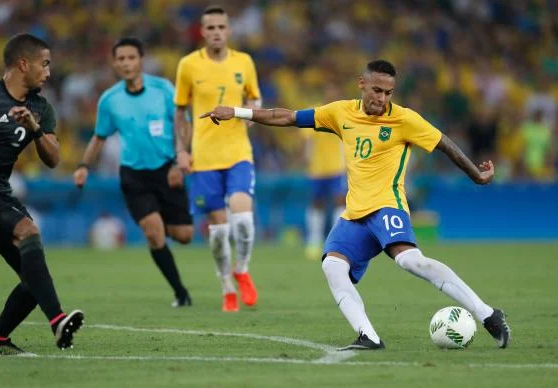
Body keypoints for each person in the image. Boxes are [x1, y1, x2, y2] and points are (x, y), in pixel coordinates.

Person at [200, 59, 511, 349]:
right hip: (355, 215)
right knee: (332, 265)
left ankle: (487, 314)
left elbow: (444, 143)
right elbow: (287, 116)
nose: (382, 98)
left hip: (388, 205)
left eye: (388, 92)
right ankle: (368, 336)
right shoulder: (341, 113)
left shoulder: (404, 119)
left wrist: (476, 175)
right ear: (362, 84)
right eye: (377, 90)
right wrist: (237, 113)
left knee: (409, 261)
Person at [0, 33, 84, 355]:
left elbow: (53, 160)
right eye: (45, 64)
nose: (49, 73)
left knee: (33, 274)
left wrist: (36, 127)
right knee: (28, 230)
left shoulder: (41, 107)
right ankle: (57, 321)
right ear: (23, 64)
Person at [73, 38, 193, 307]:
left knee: (185, 235)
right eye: (121, 59)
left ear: (141, 60)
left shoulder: (163, 89)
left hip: (167, 170)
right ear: (114, 64)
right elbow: (99, 136)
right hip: (134, 175)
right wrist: (83, 165)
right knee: (153, 232)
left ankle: (164, 223)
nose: (126, 63)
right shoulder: (110, 100)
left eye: (131, 58)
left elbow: (182, 124)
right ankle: (180, 293)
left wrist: (178, 160)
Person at [174, 5, 262, 312]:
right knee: (219, 231)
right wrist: (181, 151)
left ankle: (242, 269)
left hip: (238, 152)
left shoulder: (244, 62)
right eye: (210, 28)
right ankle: (226, 285)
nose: (216, 32)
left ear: (229, 30)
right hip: (205, 158)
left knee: (243, 218)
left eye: (221, 27)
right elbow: (180, 111)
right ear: (202, 31)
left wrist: (252, 112)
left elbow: (254, 96)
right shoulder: (188, 65)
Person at [304, 84, 346, 260]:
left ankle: (336, 240)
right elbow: (307, 141)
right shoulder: (315, 114)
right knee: (317, 203)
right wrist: (306, 158)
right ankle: (314, 241)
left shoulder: (343, 117)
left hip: (337, 167)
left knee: (339, 202)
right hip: (317, 168)